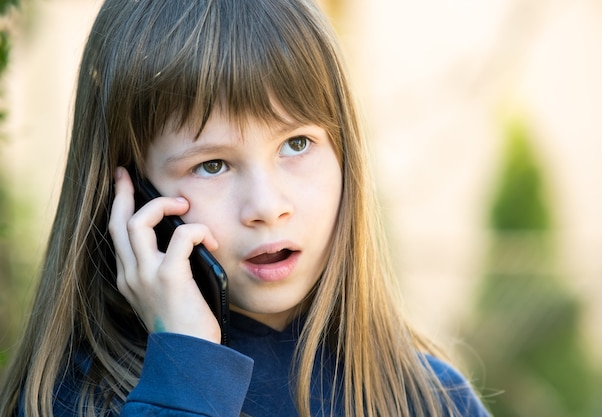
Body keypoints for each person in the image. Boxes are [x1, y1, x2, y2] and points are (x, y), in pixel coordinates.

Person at [0, 0, 491, 416]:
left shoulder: (431, 398)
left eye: (297, 143)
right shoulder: (68, 396)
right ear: (132, 196)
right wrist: (187, 373)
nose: (267, 206)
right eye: (212, 165)